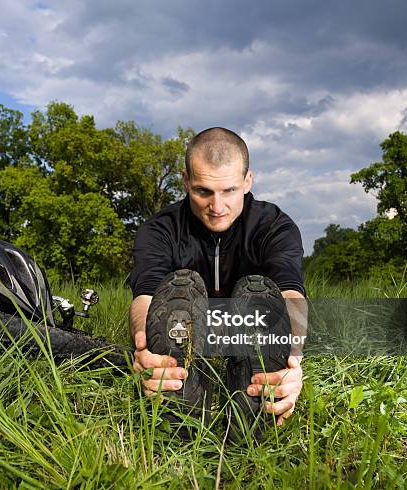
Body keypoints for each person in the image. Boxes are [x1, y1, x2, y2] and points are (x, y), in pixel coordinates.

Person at [129, 127, 306, 433]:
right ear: (185, 181)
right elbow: (146, 295)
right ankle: (181, 387)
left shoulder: (275, 226)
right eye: (203, 191)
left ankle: (254, 389)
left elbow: (290, 291)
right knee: (174, 298)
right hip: (189, 328)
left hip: (246, 329)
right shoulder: (158, 230)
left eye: (229, 190)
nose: (217, 207)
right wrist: (145, 350)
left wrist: (294, 359)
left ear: (247, 181)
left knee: (263, 297)